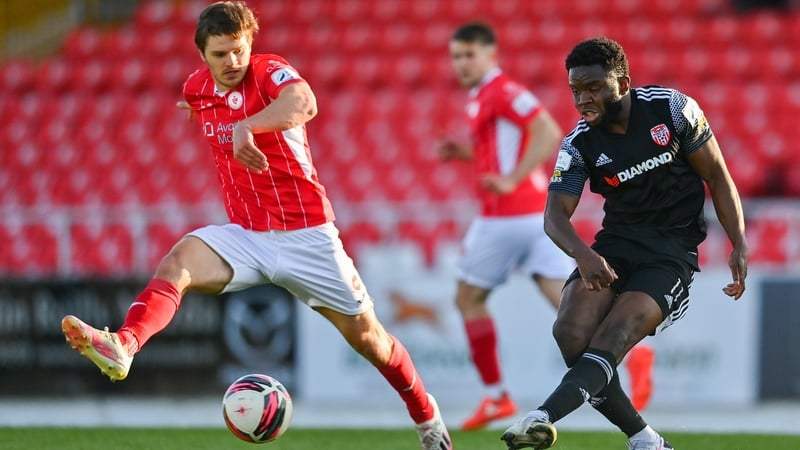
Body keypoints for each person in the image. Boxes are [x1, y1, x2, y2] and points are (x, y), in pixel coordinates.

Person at [60, 3, 452, 449]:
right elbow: (202, 104)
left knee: (371, 342)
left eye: (239, 50)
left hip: (306, 235)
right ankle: (125, 344)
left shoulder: (268, 71)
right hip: (246, 234)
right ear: (202, 56)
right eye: (220, 54)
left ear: (251, 44)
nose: (232, 62)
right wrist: (207, 114)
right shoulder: (196, 89)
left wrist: (248, 125)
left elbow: (304, 102)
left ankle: (428, 419)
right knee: (178, 262)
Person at [501, 37, 748, 450]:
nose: (583, 99)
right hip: (615, 246)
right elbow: (554, 217)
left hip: (671, 253)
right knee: (570, 334)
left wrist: (737, 241)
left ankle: (542, 417)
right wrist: (584, 255)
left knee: (613, 336)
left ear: (623, 83)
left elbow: (717, 175)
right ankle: (646, 440)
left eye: (593, 87)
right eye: (576, 90)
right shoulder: (578, 144)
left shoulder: (672, 110)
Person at [438, 23, 653, 431]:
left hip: (506, 216)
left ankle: (496, 396)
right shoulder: (483, 97)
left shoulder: (502, 91)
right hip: (533, 217)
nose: (461, 63)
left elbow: (547, 131)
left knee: (468, 299)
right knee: (566, 304)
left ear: (490, 55)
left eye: (469, 55)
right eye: (456, 56)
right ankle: (636, 354)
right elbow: (499, 150)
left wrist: (512, 180)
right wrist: (464, 153)